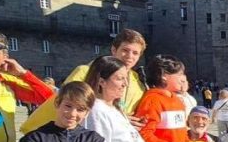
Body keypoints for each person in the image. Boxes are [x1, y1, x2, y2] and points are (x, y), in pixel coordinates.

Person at [20, 30, 149, 134]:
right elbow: (71, 104)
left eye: (135, 53)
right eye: (125, 50)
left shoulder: (138, 85)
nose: (129, 56)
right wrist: (122, 120)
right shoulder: (85, 72)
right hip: (57, 134)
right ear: (114, 50)